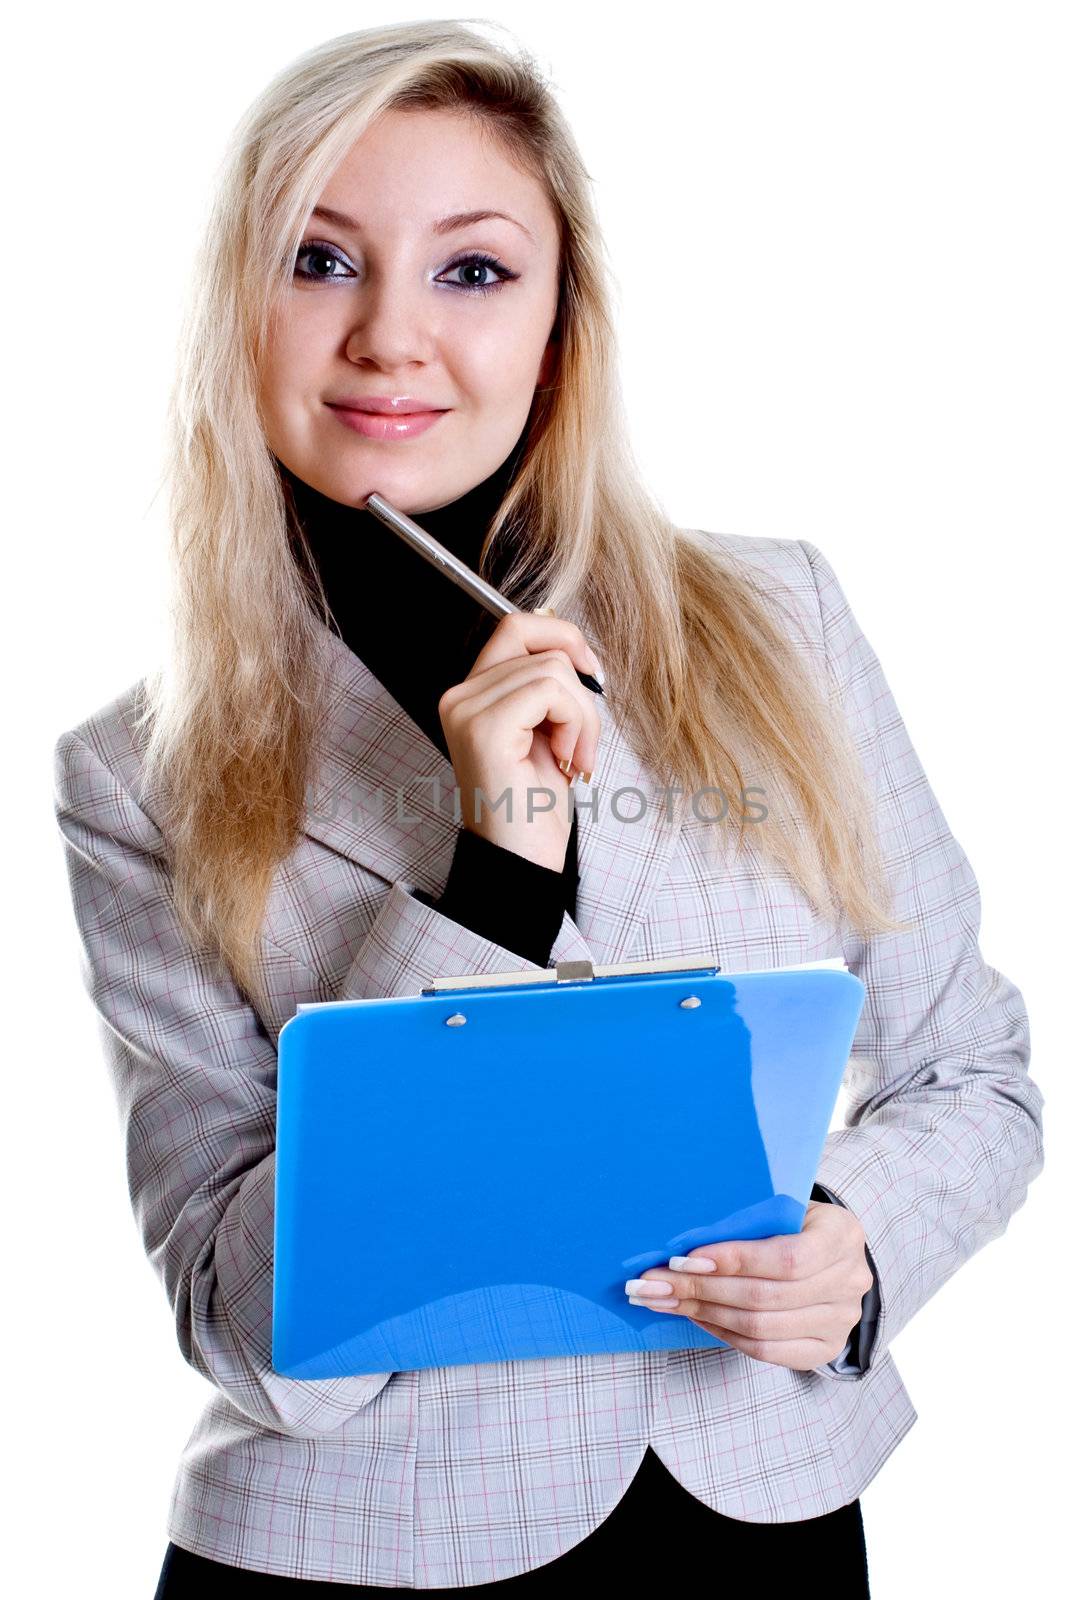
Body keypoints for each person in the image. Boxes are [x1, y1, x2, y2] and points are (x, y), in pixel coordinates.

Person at [52, 20, 1043, 1596]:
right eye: (319, 260)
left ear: (560, 323)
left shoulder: (781, 618)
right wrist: (489, 866)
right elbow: (261, 1337)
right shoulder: (140, 774)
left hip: (765, 1525)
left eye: (472, 270)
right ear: (236, 311)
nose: (389, 336)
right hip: (357, 1559)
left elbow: (977, 1070)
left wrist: (857, 1245)